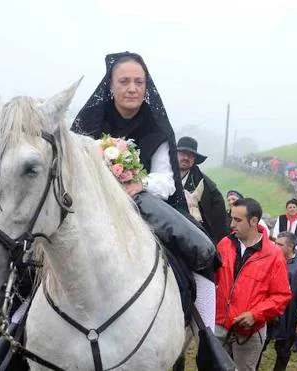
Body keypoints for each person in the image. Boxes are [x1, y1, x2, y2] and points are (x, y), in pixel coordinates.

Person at [71, 52, 216, 337]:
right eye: (124, 81)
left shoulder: (157, 127)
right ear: (110, 86)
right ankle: (15, 321)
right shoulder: (89, 121)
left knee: (202, 248)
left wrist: (140, 184)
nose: (132, 88)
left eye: (139, 82)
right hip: (90, 203)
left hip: (141, 203)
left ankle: (207, 333)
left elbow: (167, 180)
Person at [215, 198, 292, 371]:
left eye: (238, 220)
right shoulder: (224, 245)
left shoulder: (273, 255)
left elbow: (282, 296)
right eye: (231, 218)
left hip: (250, 332)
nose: (231, 225)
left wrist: (255, 314)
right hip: (219, 326)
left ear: (254, 221)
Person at [263, 232, 297, 371]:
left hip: (289, 316)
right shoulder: (269, 261)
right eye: (275, 243)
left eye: (280, 245)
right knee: (258, 347)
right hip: (266, 313)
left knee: (283, 351)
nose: (276, 246)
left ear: (291, 247)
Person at [177, 136, 228, 242]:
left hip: (194, 237)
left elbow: (218, 221)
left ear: (194, 159)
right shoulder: (163, 177)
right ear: (175, 154)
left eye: (190, 155)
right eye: (183, 153)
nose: (186, 157)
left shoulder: (208, 188)